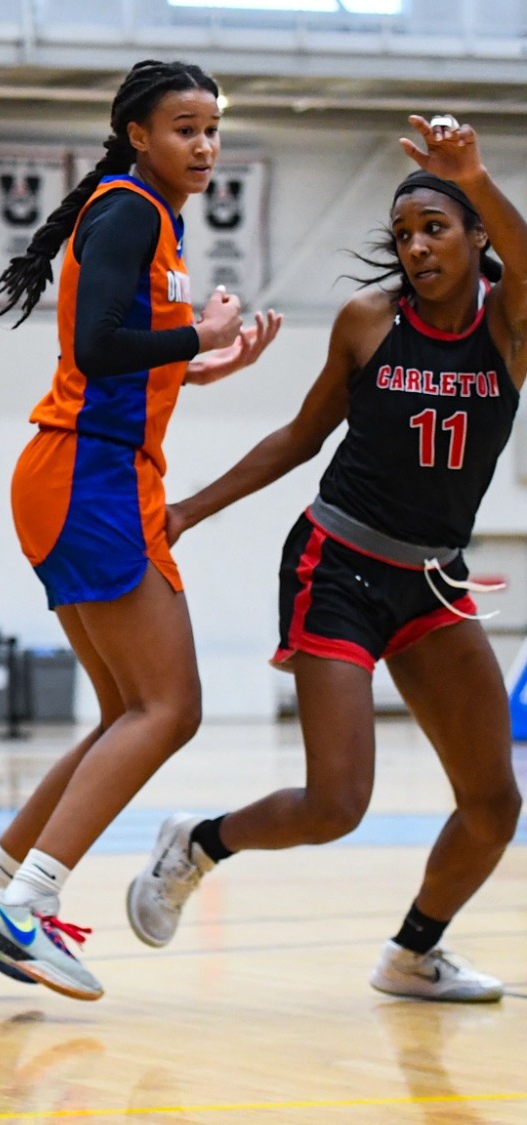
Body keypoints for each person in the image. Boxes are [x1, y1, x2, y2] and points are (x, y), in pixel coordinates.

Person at [125, 115, 522, 1003]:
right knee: (337, 803)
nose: (417, 247)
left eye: (436, 228)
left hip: (433, 580)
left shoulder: (509, 326)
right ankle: (198, 842)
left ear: (478, 235)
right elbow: (302, 438)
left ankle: (414, 952)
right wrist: (189, 507)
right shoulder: (369, 321)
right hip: (336, 564)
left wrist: (477, 175)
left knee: (496, 801)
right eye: (405, 235)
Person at [0, 58, 283, 1002]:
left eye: (212, 128)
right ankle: (25, 906)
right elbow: (93, 348)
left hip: (78, 474)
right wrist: (197, 338)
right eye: (183, 128)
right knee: (172, 708)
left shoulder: (147, 216)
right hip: (92, 477)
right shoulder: (129, 210)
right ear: (137, 134)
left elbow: (125, 358)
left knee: (129, 710)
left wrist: (206, 363)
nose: (203, 146)